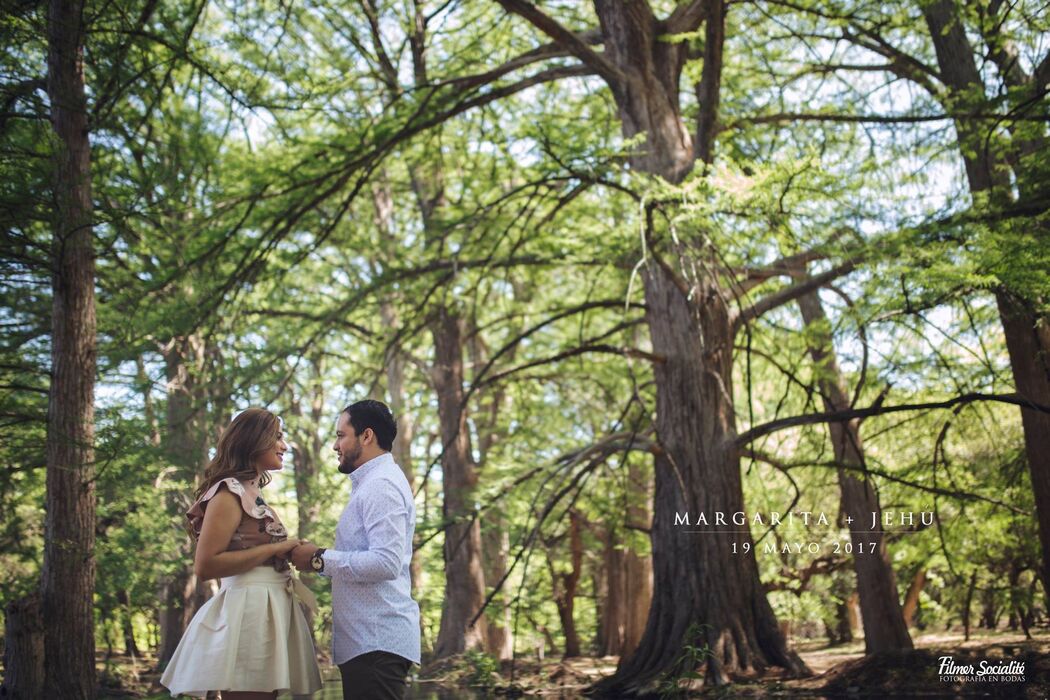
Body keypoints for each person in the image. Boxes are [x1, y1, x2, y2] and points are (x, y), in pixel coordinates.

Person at [160, 407, 323, 699]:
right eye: (278, 437)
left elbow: (256, 549)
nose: (284, 446)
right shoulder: (227, 494)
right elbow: (206, 565)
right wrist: (275, 548)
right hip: (248, 613)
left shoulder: (252, 495)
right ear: (254, 440)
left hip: (270, 608)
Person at [290, 399, 421, 700]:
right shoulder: (371, 483)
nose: (335, 445)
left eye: (340, 435)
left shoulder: (381, 485)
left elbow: (386, 562)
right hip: (369, 645)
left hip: (376, 644)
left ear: (367, 436)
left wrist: (319, 559)